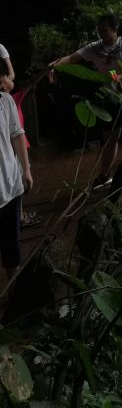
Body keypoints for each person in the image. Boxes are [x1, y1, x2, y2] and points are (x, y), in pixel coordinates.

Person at [51, 13, 122, 189]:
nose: (101, 33)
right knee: (110, 137)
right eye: (99, 30)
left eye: (104, 30)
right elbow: (71, 58)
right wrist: (54, 65)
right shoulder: (95, 48)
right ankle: (105, 174)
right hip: (110, 97)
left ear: (115, 30)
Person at [0, 84, 33, 284]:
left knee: (12, 243)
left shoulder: (5, 100)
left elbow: (17, 134)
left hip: (10, 185)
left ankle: (13, 289)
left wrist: (26, 169)